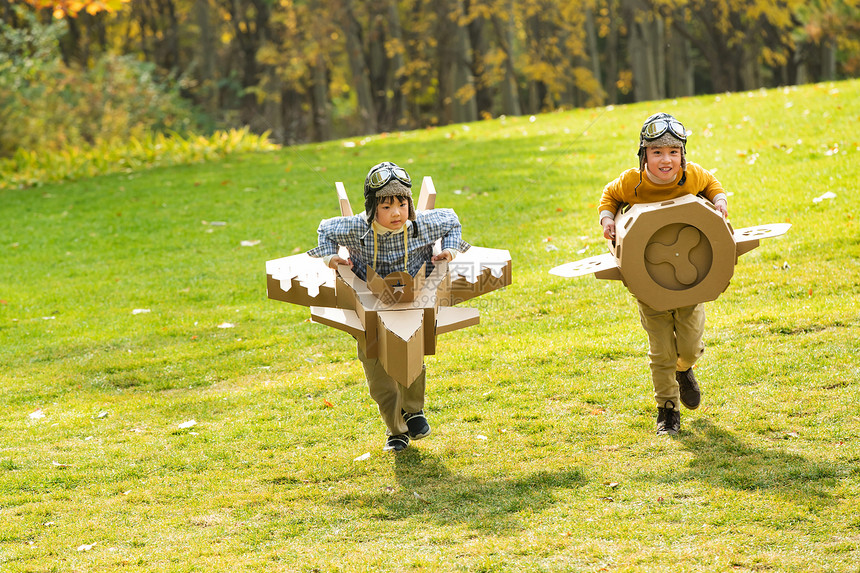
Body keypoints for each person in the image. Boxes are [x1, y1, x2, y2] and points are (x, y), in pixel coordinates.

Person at [308, 161, 470, 451]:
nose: (396, 213)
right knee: (378, 372)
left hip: (410, 302)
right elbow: (325, 230)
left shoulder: (423, 224)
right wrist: (330, 257)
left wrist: (451, 248)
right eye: (386, 207)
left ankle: (414, 410)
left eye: (402, 204)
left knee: (410, 356)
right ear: (373, 208)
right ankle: (396, 430)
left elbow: (452, 221)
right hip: (369, 304)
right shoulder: (357, 227)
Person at [598, 112, 729, 435]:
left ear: (683, 156)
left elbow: (713, 185)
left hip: (689, 282)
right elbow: (609, 197)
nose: (666, 160)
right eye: (657, 153)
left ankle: (684, 369)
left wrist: (720, 201)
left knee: (687, 348)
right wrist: (608, 220)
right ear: (644, 155)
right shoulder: (633, 182)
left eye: (674, 152)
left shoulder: (692, 176)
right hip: (648, 280)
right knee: (660, 350)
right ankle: (667, 411)